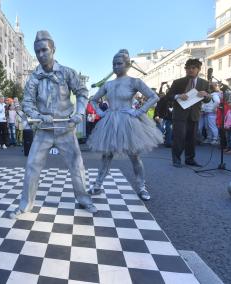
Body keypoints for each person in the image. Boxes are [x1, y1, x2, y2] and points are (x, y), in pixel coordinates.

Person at [10, 30, 96, 218]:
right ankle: (26, 204)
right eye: (37, 52)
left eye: (44, 50)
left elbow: (82, 92)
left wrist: (79, 112)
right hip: (44, 131)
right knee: (32, 165)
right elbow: (27, 103)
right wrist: (38, 115)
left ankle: (84, 200)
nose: (41, 55)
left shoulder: (67, 73)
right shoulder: (33, 78)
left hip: (66, 129)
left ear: (53, 49)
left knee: (76, 165)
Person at [87, 49, 163, 201]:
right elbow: (93, 100)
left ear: (127, 65)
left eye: (119, 63)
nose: (115, 67)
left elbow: (154, 97)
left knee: (134, 156)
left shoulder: (135, 82)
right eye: (113, 64)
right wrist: (101, 113)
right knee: (106, 155)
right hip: (110, 121)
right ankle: (97, 185)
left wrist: (139, 111)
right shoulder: (108, 84)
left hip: (128, 121)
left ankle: (141, 187)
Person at [167, 59, 211, 168]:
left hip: (194, 114)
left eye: (193, 68)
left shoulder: (204, 83)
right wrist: (178, 96)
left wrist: (206, 95)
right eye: (188, 68)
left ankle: (190, 159)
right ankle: (176, 159)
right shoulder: (178, 82)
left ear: (198, 70)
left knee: (191, 139)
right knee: (179, 137)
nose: (190, 70)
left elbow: (208, 99)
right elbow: (169, 96)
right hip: (180, 114)